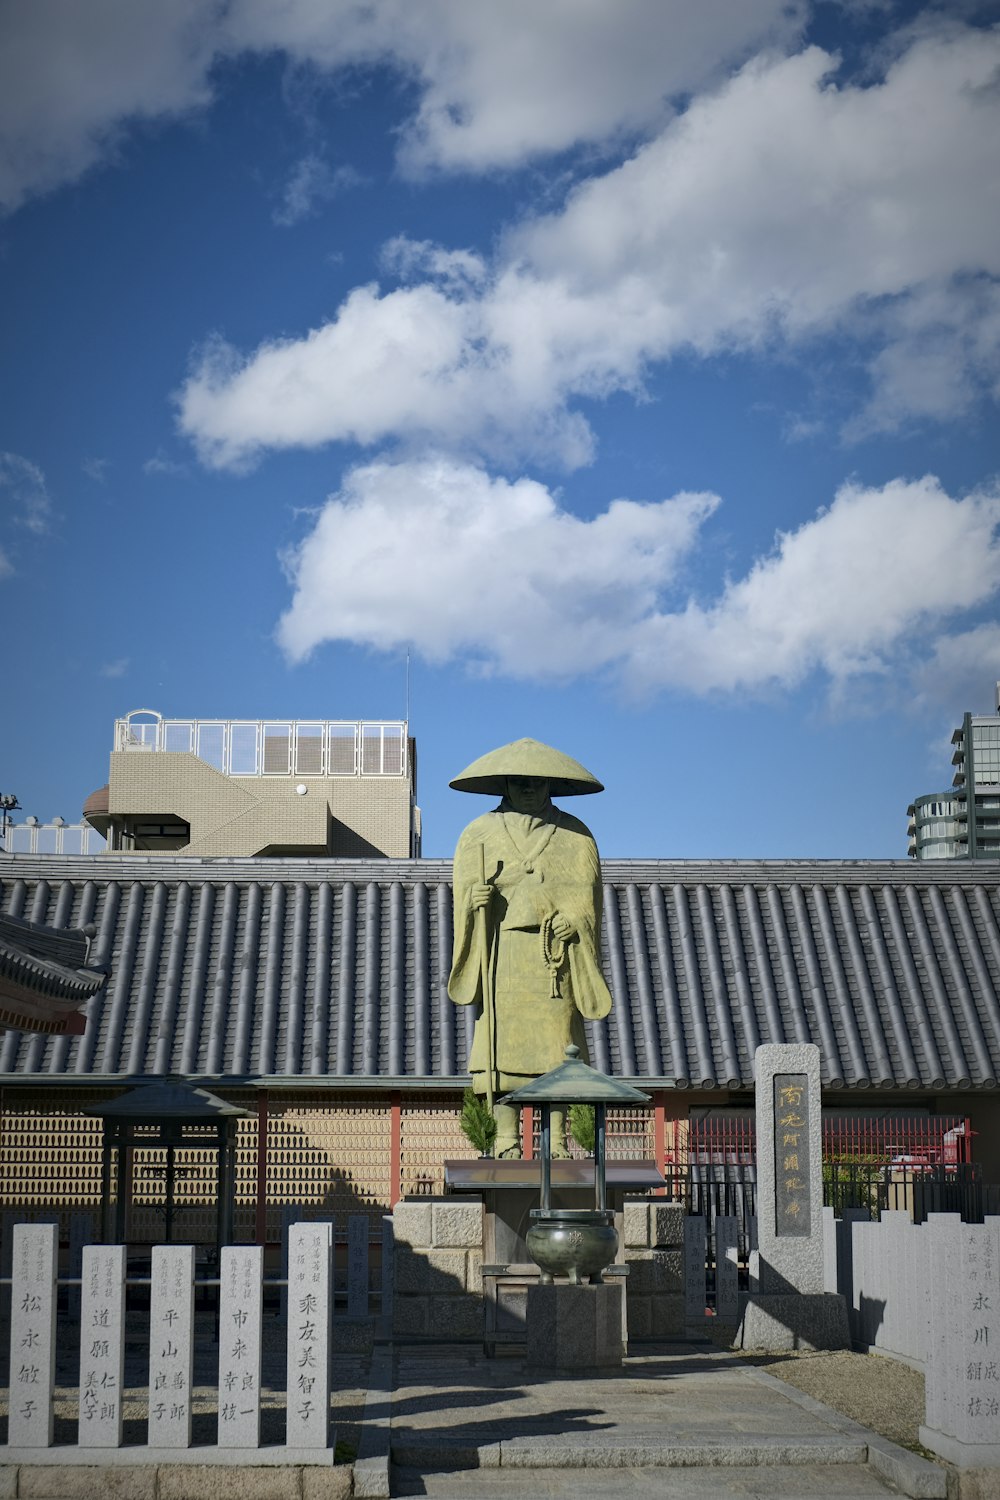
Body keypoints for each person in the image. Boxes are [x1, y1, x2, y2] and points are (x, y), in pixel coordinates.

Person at [448, 738, 613, 1158]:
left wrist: (573, 920)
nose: (528, 789)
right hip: (502, 957)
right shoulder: (479, 833)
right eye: (520, 781)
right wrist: (475, 903)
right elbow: (463, 896)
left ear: (551, 786)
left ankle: (556, 1141)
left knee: (558, 1045)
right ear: (504, 782)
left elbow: (588, 900)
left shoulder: (575, 835)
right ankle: (505, 1139)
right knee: (500, 1047)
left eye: (537, 782)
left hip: (554, 960)